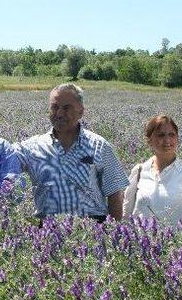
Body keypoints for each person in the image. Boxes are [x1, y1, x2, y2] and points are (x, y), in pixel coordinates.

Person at [16, 83, 129, 221]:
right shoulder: (32, 147)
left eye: (66, 108)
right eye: (55, 107)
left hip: (92, 228)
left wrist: (113, 230)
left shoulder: (99, 145)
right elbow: (3, 158)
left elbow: (115, 192)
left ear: (81, 111)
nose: (59, 113)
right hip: (48, 231)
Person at [123, 115, 182, 225]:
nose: (167, 140)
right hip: (140, 239)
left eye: (171, 135)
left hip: (176, 240)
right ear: (149, 140)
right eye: (161, 135)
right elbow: (127, 212)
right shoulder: (139, 171)